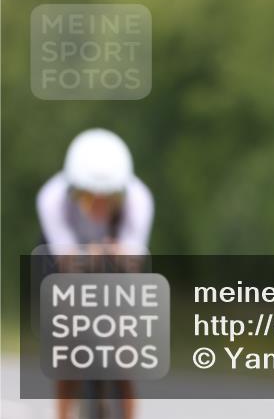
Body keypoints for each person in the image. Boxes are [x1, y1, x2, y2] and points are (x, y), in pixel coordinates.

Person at [36, 128, 154, 419]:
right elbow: (63, 257)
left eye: (109, 198)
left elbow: (135, 258)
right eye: (89, 197)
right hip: (68, 259)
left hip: (115, 261)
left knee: (126, 352)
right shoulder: (51, 198)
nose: (99, 205)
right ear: (74, 191)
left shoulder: (139, 198)